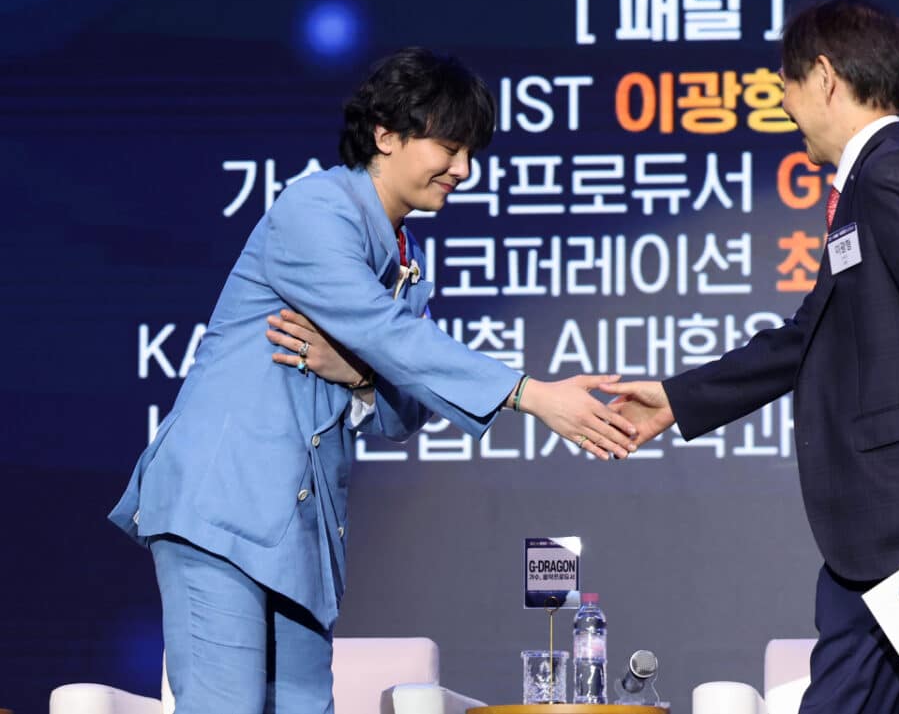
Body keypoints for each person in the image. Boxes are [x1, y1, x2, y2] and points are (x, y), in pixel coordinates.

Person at [108, 48, 638, 714]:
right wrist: (532, 393)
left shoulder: (408, 256)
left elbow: (405, 406)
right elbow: (390, 335)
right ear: (386, 133)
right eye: (449, 145)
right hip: (224, 504)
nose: (464, 169)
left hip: (300, 531)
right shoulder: (315, 209)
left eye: (472, 152)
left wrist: (359, 374)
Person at [602, 0, 899, 714]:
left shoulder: (895, 175)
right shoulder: (873, 181)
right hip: (883, 536)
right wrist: (680, 398)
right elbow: (810, 332)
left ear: (826, 77)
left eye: (786, 85)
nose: (783, 104)